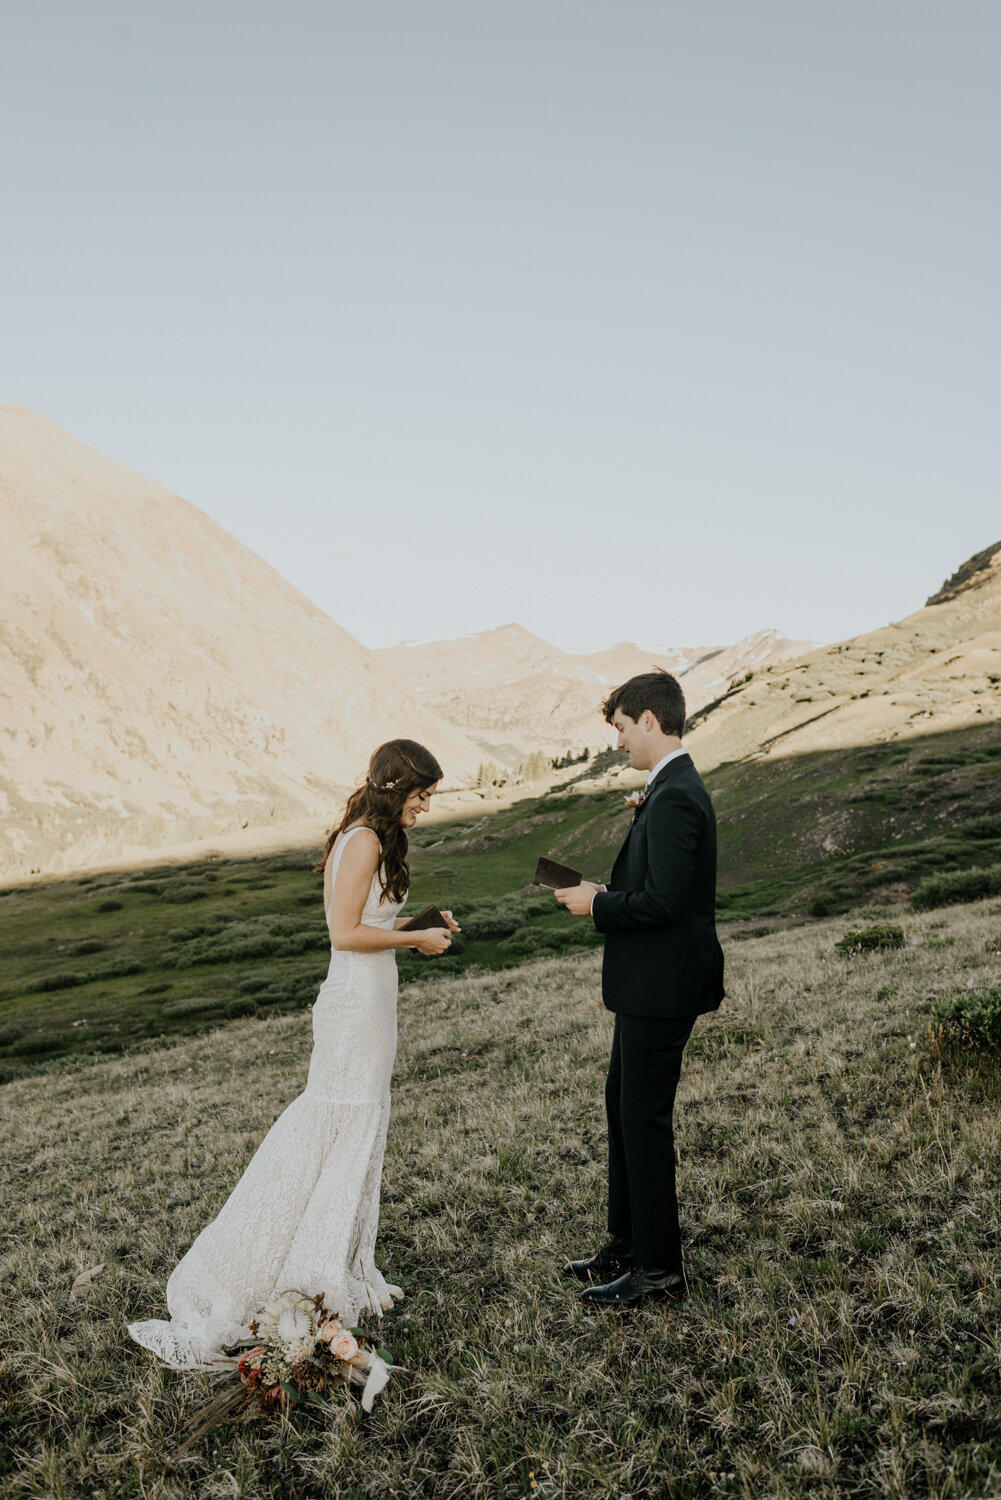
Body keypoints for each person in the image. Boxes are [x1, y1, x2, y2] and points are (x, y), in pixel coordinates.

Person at [128, 739, 458, 1367]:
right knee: (338, 1123)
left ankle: (346, 1262)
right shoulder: (362, 839)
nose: (425, 806)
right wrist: (415, 939)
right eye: (421, 794)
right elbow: (342, 933)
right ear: (396, 787)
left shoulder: (369, 837)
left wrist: (418, 924)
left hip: (372, 998)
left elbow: (370, 923)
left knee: (360, 1125)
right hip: (355, 1004)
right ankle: (293, 1264)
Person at [555, 672, 724, 1309]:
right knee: (622, 1103)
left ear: (649, 721)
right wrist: (606, 892)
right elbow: (657, 885)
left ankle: (659, 1270)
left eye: (623, 730)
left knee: (644, 1119)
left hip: (663, 983)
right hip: (645, 982)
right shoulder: (666, 790)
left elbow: (665, 903)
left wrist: (598, 905)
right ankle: (626, 1241)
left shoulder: (678, 794)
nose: (620, 743)